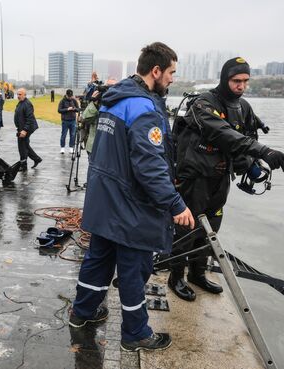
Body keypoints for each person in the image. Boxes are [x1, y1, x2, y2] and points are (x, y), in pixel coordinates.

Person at [70, 42, 194, 352]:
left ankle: (82, 312)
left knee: (97, 260)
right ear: (156, 71)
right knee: (133, 271)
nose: (172, 79)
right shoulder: (144, 108)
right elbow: (150, 166)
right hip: (130, 207)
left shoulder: (115, 98)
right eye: (171, 73)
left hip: (104, 199)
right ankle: (136, 334)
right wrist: (176, 204)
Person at [168, 57, 284, 301]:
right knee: (187, 226)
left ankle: (197, 274)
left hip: (220, 178)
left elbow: (245, 141)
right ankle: (176, 278)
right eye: (236, 80)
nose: (241, 86)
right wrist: (264, 151)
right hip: (194, 178)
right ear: (225, 79)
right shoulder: (204, 103)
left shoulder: (244, 107)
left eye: (246, 81)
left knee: (211, 229)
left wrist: (253, 165)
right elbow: (223, 133)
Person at [14, 88, 41, 171]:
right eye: (17, 94)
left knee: (22, 146)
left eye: (20, 94)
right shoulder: (21, 103)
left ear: (25, 95)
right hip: (21, 128)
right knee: (25, 145)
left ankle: (23, 165)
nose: (18, 96)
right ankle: (36, 159)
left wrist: (24, 130)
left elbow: (30, 119)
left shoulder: (27, 104)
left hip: (27, 128)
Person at [57, 89, 80, 154]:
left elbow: (78, 109)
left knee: (72, 135)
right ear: (66, 95)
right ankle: (62, 148)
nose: (70, 97)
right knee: (64, 135)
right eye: (69, 96)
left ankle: (71, 148)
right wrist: (67, 109)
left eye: (71, 96)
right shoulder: (62, 101)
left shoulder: (74, 101)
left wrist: (74, 109)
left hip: (73, 121)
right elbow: (59, 110)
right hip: (65, 121)